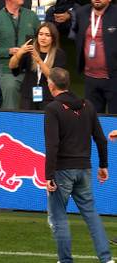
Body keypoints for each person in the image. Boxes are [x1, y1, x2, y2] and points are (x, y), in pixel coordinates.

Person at [44, 67, 114, 263]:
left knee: (59, 216)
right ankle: (106, 259)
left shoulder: (52, 109)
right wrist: (103, 165)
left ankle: (65, 260)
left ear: (51, 85)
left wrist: (48, 175)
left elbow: (52, 144)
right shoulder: (87, 105)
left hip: (62, 170)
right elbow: (100, 138)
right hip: (84, 168)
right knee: (91, 215)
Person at [0, 0, 40, 109]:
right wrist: (9, 51)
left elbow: (41, 38)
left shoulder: (31, 16)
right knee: (11, 109)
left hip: (31, 71)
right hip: (8, 72)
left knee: (35, 107)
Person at [71, 0, 117, 114]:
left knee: (114, 120)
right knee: (92, 118)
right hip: (90, 78)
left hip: (113, 78)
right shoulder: (81, 12)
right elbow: (76, 35)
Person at [9, 22, 66, 110]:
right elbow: (12, 66)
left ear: (53, 38)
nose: (43, 38)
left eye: (47, 35)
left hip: (49, 96)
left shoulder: (59, 54)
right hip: (28, 95)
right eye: (41, 34)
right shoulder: (29, 50)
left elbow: (54, 78)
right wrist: (19, 53)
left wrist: (39, 60)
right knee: (27, 121)